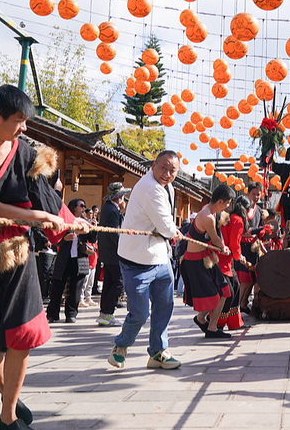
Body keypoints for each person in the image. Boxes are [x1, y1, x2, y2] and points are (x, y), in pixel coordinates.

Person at [0, 85, 88, 430]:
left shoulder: (23, 151)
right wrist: (40, 219)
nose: (24, 128)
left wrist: (70, 222)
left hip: (16, 250)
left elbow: (45, 197)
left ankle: (7, 415)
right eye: (19, 120)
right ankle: (7, 391)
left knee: (21, 333)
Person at [108, 151, 183, 370]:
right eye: (163, 167)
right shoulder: (150, 187)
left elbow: (165, 225)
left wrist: (170, 231)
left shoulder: (167, 186)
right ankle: (120, 347)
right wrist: (173, 231)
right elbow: (166, 226)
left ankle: (158, 352)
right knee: (140, 313)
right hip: (136, 259)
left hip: (160, 256)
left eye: (173, 170)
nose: (167, 174)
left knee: (165, 306)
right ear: (153, 166)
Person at [181, 184, 235, 339]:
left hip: (206, 257)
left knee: (225, 291)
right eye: (227, 203)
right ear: (220, 202)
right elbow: (216, 239)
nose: (227, 207)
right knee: (217, 294)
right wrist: (224, 248)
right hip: (197, 261)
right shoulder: (207, 217)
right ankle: (209, 326)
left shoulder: (209, 210)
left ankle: (205, 321)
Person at [47, 198, 97, 323]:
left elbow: (92, 239)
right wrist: (65, 239)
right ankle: (53, 314)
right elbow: (55, 240)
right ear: (73, 207)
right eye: (81, 205)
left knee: (76, 289)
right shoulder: (63, 222)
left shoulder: (85, 222)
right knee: (57, 287)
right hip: (64, 257)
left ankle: (71, 314)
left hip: (79, 259)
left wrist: (94, 228)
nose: (84, 208)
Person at [97, 182, 130, 326]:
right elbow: (114, 234)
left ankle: (105, 313)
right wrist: (123, 249)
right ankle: (107, 311)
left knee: (109, 283)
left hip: (108, 252)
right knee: (118, 282)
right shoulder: (111, 210)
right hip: (113, 253)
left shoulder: (108, 208)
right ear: (118, 197)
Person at [217, 195, 250, 330]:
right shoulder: (237, 220)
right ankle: (217, 322)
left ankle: (234, 322)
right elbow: (234, 245)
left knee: (235, 287)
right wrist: (239, 256)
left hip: (222, 258)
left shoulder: (229, 218)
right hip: (224, 261)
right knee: (229, 291)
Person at [237, 183, 262, 314]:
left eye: (258, 194)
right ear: (248, 194)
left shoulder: (259, 210)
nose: (256, 197)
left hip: (254, 246)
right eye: (254, 194)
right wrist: (259, 230)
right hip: (243, 246)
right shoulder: (243, 210)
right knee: (244, 279)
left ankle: (243, 303)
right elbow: (243, 231)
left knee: (252, 278)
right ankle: (236, 306)